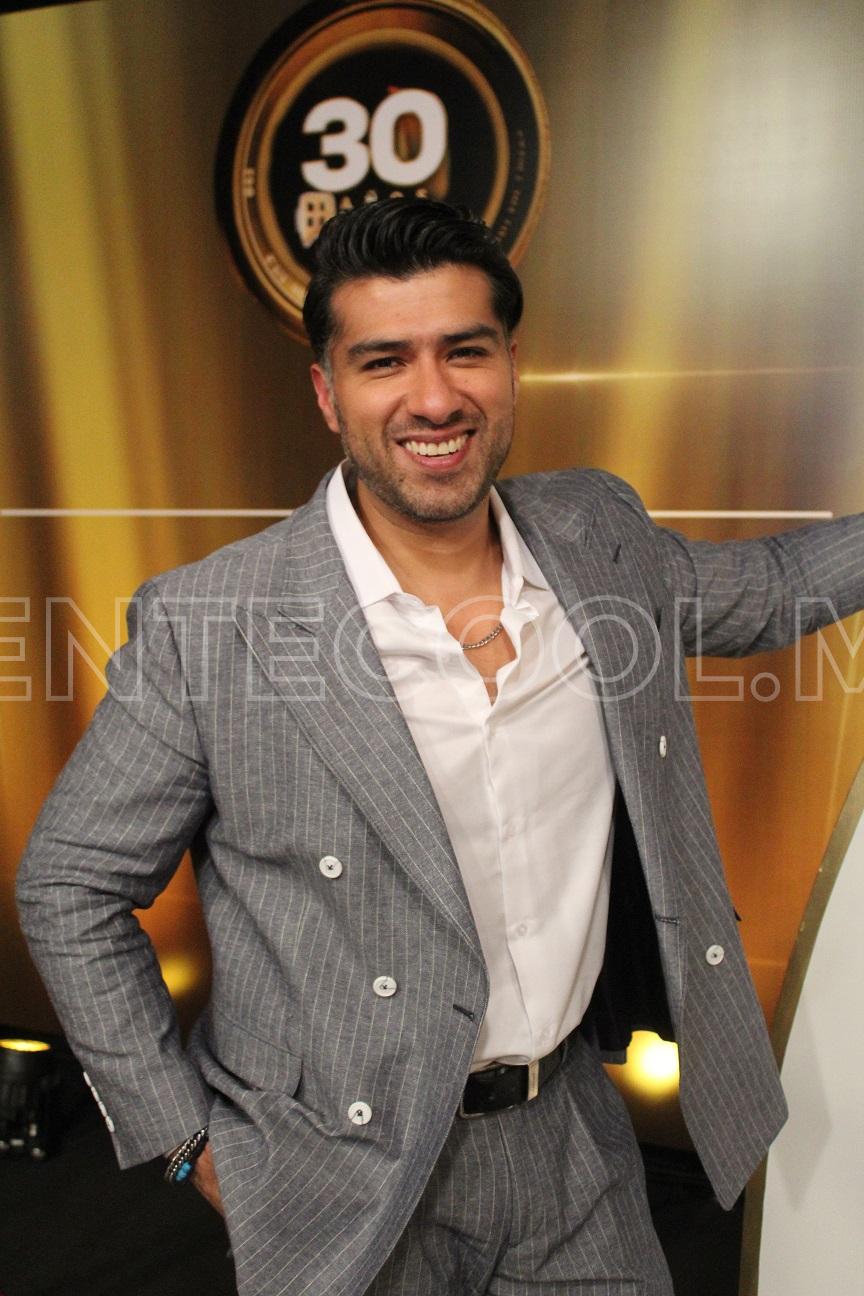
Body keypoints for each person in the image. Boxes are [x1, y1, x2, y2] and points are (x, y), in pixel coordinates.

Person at [16, 197, 864, 1296]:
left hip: (574, 1142)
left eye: (466, 350)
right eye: (384, 361)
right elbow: (69, 885)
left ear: (511, 365)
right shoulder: (214, 624)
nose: (433, 397)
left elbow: (775, 588)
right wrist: (185, 1138)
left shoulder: (597, 536)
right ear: (328, 392)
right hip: (341, 1174)